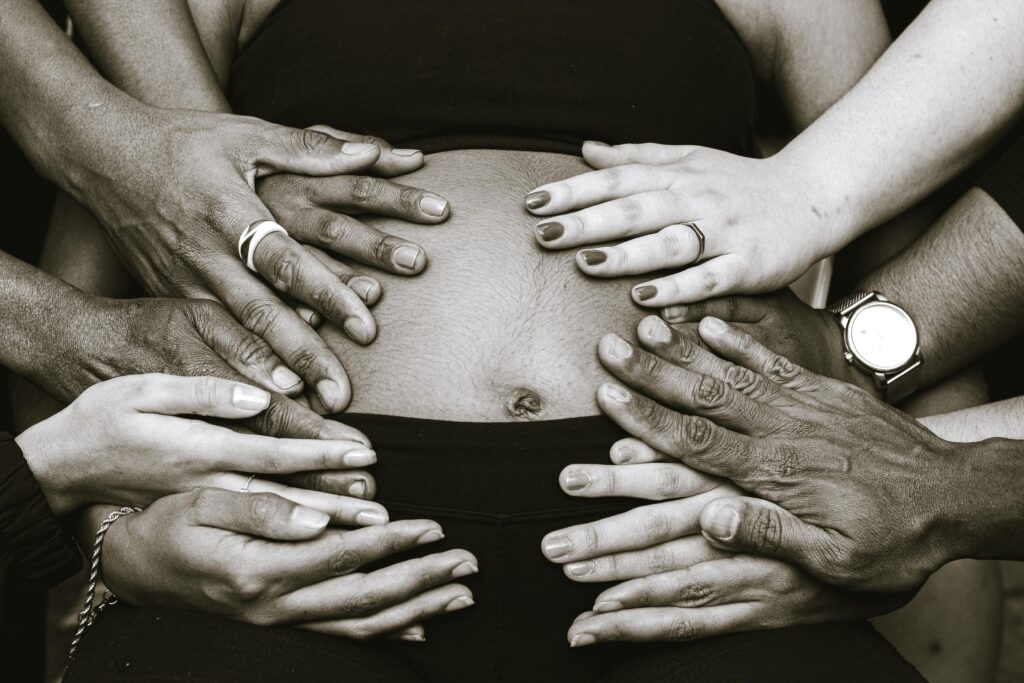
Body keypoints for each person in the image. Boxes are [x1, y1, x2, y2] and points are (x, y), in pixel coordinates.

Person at [24, 1, 946, 681]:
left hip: (698, 529)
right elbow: (99, 288)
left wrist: (937, 620)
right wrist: (118, 543)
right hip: (300, 529)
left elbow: (911, 289)